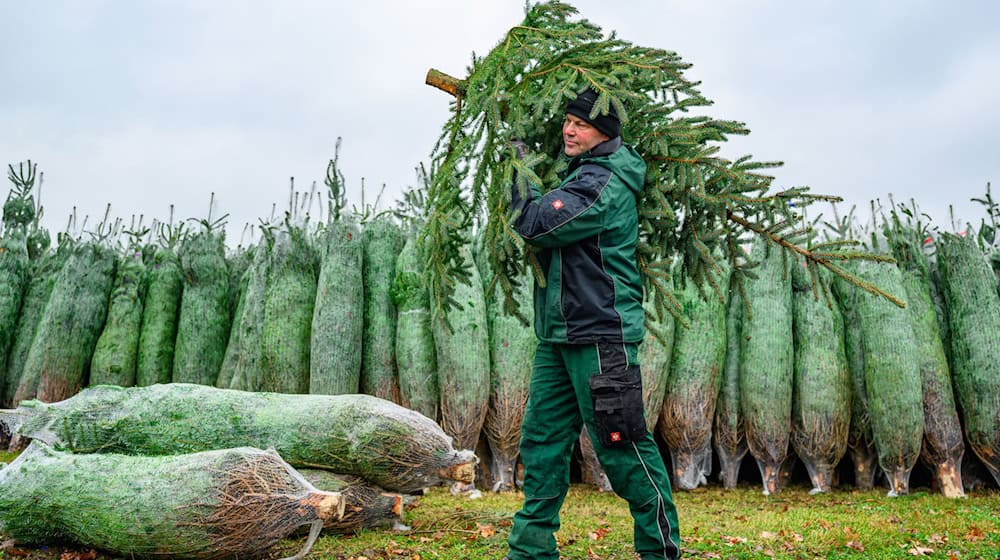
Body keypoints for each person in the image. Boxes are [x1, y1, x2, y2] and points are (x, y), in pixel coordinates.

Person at [504, 88, 682, 560]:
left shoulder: (602, 184)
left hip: (601, 336)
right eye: (565, 120)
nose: (568, 129)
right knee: (541, 443)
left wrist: (518, 163)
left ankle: (659, 552)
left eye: (579, 124)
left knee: (622, 446)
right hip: (559, 337)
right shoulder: (581, 174)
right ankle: (530, 552)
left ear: (604, 133)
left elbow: (536, 221)